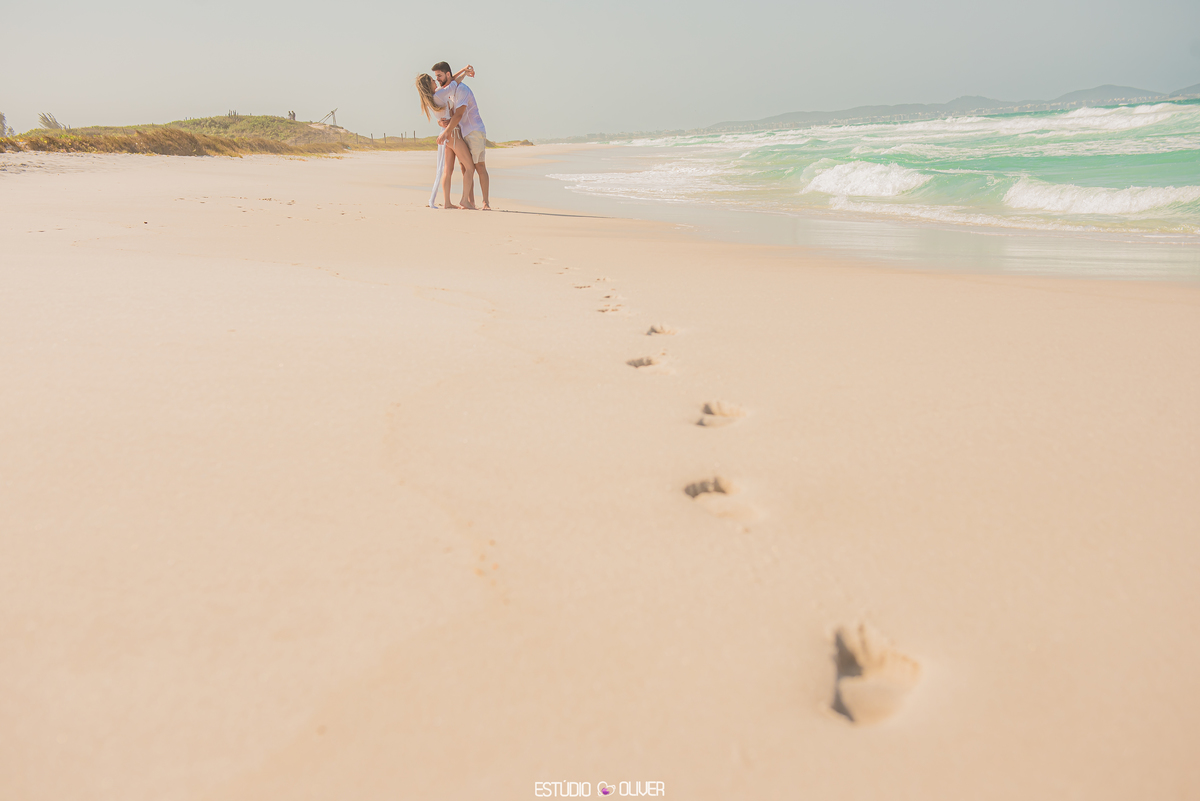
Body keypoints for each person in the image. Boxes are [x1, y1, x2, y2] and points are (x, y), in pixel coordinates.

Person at [415, 64, 474, 209]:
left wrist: (463, 70)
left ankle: (447, 202)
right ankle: (464, 200)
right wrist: (465, 73)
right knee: (470, 167)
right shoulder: (439, 94)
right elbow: (453, 83)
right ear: (428, 84)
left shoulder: (432, 98)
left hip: (445, 135)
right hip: (452, 134)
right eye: (432, 80)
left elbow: (450, 80)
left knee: (448, 170)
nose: (436, 81)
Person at [435, 64, 490, 210]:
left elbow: (459, 114)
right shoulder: (449, 91)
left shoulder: (462, 89)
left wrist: (446, 131)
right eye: (436, 77)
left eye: (439, 76)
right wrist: (441, 121)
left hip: (473, 131)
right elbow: (447, 113)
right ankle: (470, 202)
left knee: (479, 166)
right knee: (465, 167)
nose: (437, 79)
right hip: (461, 131)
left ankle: (485, 203)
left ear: (447, 74)